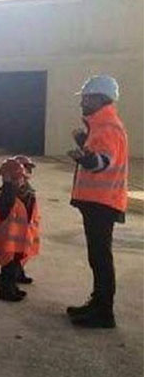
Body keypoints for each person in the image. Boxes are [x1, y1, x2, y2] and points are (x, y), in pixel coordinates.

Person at [67, 75, 129, 329]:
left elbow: (103, 162)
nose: (82, 102)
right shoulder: (100, 126)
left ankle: (104, 313)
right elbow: (102, 153)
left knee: (101, 257)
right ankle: (97, 303)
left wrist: (85, 158)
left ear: (101, 99)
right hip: (97, 202)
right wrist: (85, 144)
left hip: (102, 203)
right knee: (97, 256)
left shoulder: (108, 127)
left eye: (87, 98)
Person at [0, 158, 29, 302]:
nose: (21, 182)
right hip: (6, 240)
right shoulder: (7, 195)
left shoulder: (12, 193)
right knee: (8, 269)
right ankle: (5, 292)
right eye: (18, 179)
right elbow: (7, 200)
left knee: (13, 267)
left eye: (22, 178)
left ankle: (12, 288)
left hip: (13, 240)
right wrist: (8, 182)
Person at [13, 155, 40, 284]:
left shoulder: (26, 189)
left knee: (22, 252)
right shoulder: (12, 190)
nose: (28, 172)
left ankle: (18, 272)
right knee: (14, 254)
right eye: (26, 168)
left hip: (26, 227)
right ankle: (10, 280)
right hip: (15, 230)